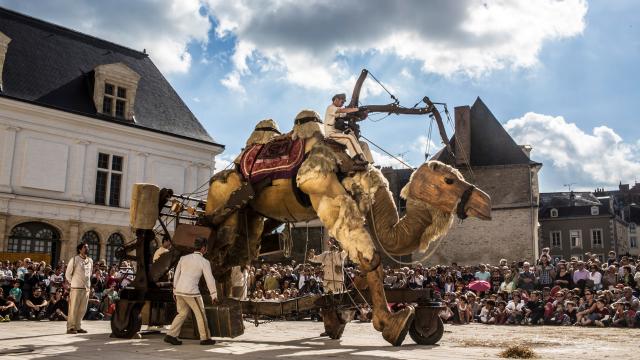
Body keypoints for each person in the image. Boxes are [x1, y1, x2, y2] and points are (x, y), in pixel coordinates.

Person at [164, 237, 217, 346]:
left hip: (179, 290)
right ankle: (205, 338)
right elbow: (209, 279)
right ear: (203, 248)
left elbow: (176, 274)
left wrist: (174, 290)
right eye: (206, 247)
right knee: (200, 314)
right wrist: (214, 295)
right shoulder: (204, 262)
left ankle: (171, 335)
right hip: (191, 292)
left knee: (182, 313)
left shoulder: (183, 258)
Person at [323, 93, 373, 164]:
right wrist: (357, 109)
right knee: (349, 138)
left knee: (362, 144)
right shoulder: (331, 108)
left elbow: (349, 116)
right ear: (336, 99)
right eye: (342, 102)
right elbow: (343, 111)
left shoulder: (337, 111)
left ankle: (369, 163)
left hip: (339, 136)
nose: (342, 104)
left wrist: (363, 116)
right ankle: (357, 160)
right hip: (331, 134)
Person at [65, 242, 93, 334]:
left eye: (87, 247)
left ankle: (78, 326)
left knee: (82, 309)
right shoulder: (74, 259)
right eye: (85, 247)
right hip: (76, 288)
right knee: (73, 308)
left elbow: (90, 274)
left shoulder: (90, 261)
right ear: (80, 249)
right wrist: (73, 283)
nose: (87, 249)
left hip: (86, 289)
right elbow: (68, 274)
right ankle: (71, 327)